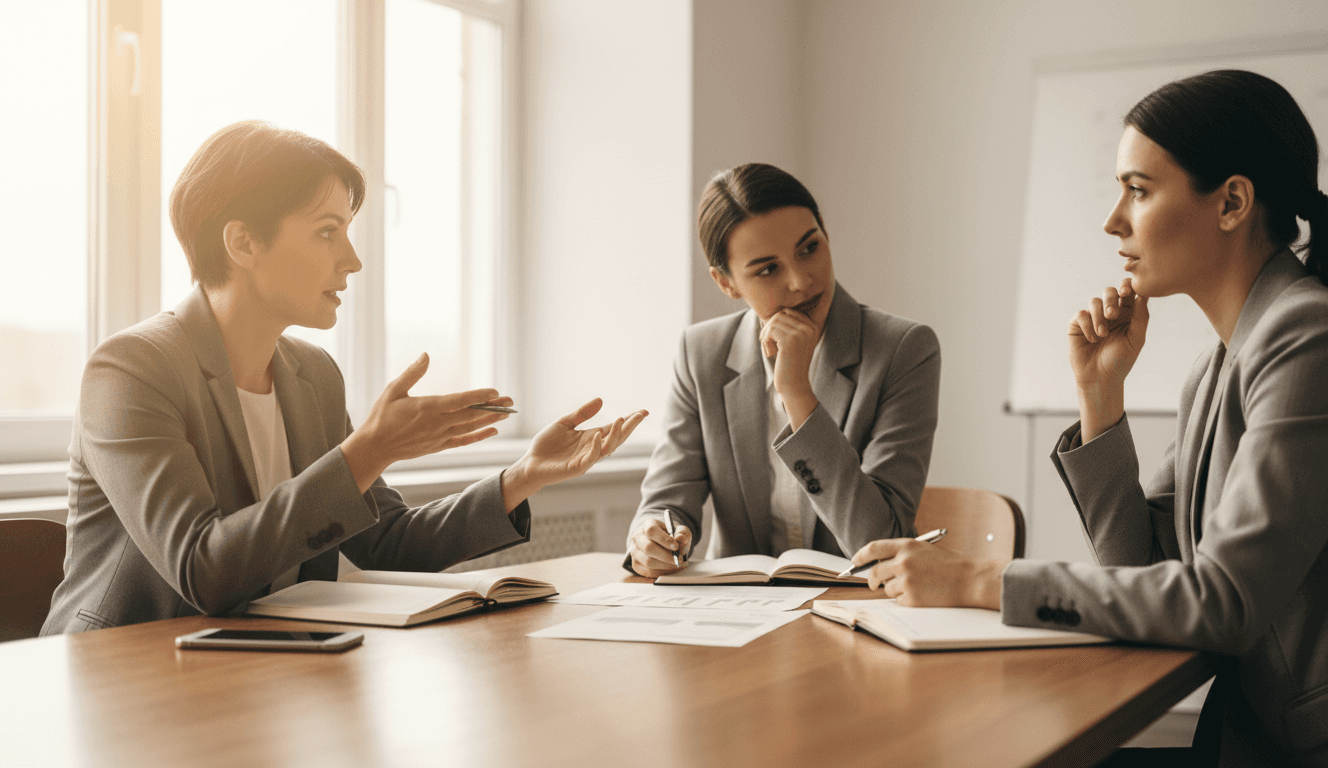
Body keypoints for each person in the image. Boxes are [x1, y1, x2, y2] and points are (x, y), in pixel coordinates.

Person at [851, 70, 1328, 766]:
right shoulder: (1218, 364)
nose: (1113, 220)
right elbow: (1140, 568)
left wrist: (976, 581)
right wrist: (1100, 398)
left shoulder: (1310, 338)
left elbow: (1222, 603)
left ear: (1232, 202)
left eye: (1138, 190)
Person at [43, 121, 646, 634]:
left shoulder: (313, 375)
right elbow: (203, 569)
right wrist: (369, 450)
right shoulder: (130, 371)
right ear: (243, 242)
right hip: (120, 678)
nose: (353, 260)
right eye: (327, 231)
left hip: (261, 671)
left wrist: (522, 477)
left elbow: (385, 542)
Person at [626, 163, 940, 577]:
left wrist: (797, 395)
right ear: (726, 283)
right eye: (768, 269)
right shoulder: (701, 353)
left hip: (856, 602)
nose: (801, 280)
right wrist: (652, 538)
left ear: (825, 232)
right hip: (738, 606)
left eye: (809, 248)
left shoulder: (904, 350)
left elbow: (879, 541)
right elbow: (665, 502)